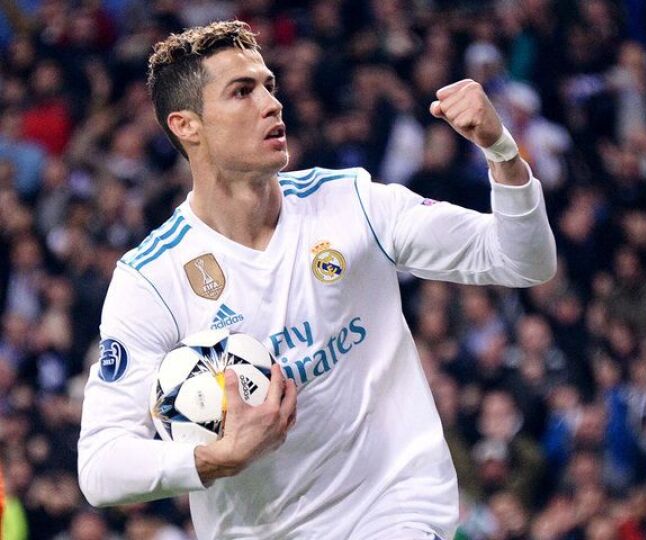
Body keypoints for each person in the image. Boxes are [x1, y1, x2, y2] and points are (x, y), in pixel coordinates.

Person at [76, 20, 556, 539]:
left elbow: (522, 260)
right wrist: (218, 457)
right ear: (187, 125)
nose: (271, 104)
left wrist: (501, 151)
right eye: (242, 92)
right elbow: (101, 466)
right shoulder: (152, 278)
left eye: (269, 86)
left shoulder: (352, 203)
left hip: (395, 509)